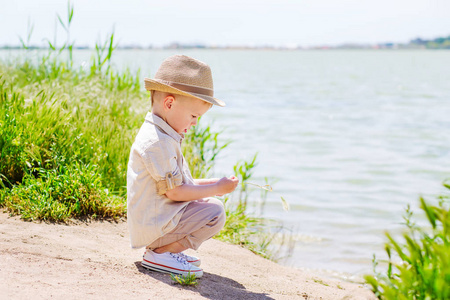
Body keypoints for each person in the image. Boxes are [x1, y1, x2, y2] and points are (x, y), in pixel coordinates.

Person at [127, 55, 239, 278]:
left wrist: (217, 183)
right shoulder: (157, 143)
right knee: (214, 211)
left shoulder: (164, 135)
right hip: (155, 225)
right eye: (193, 115)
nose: (195, 123)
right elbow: (176, 191)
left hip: (159, 220)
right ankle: (161, 252)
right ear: (169, 104)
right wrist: (217, 189)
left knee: (207, 202)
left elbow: (182, 184)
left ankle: (164, 250)